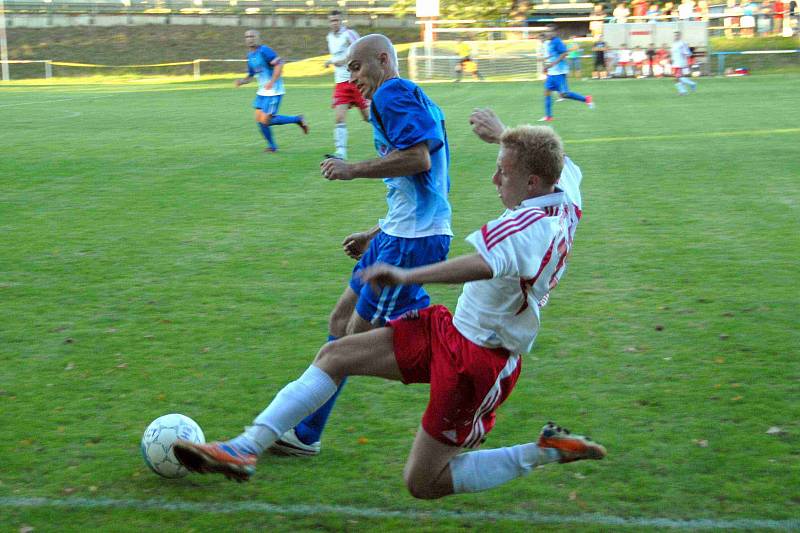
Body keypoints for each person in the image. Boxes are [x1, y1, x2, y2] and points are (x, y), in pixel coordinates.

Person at [172, 109, 607, 496]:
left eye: (504, 173)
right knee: (336, 354)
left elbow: (478, 264)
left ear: (532, 182)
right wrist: (504, 137)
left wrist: (407, 275)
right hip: (450, 331)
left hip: (478, 363)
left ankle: (544, 452)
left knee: (423, 482)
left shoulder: (532, 229)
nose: (495, 180)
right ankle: (243, 449)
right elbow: (559, 160)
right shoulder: (564, 192)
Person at [265, 34, 453, 457]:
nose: (352, 78)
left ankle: (463, 359)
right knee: (341, 319)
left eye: (356, 66)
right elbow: (417, 182)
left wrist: (352, 170)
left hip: (412, 242)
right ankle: (306, 434)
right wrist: (376, 231)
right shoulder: (409, 96)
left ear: (383, 60)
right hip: (398, 235)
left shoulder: (391, 94)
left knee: (352, 342)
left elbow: (419, 158)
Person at [236, 29, 308, 153]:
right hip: (262, 92)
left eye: (252, 36)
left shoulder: (264, 50)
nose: (250, 39)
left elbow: (279, 64)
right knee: (259, 119)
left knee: (266, 120)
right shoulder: (250, 56)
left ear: (258, 38)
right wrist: (242, 82)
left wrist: (272, 81)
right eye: (247, 36)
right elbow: (251, 75)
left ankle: (297, 119)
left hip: (274, 91)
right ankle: (272, 146)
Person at [325, 10, 369, 160]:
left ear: (342, 21)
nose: (334, 23)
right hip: (340, 84)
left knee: (368, 117)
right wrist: (330, 62)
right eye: (331, 21)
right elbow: (335, 56)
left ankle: (392, 138)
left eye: (337, 20)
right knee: (339, 118)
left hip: (356, 81)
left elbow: (362, 49)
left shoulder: (349, 34)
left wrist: (344, 61)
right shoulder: (329, 37)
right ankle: (340, 153)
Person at [539, 25, 593, 123]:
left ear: (555, 32)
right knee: (547, 92)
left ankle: (586, 99)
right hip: (552, 73)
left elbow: (564, 53)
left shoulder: (557, 41)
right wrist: (546, 63)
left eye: (549, 31)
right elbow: (552, 55)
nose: (547, 33)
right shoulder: (550, 43)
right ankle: (548, 116)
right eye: (546, 31)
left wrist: (553, 63)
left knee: (565, 94)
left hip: (559, 72)